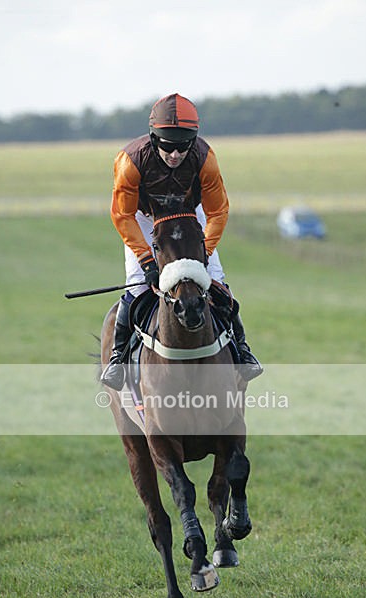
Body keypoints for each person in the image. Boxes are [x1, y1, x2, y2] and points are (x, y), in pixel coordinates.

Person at [101, 92, 262, 390]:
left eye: (183, 147)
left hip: (191, 216)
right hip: (145, 217)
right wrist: (147, 260)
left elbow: (217, 211)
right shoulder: (130, 161)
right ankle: (118, 357)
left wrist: (203, 254)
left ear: (194, 141)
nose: (175, 155)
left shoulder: (205, 158)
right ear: (153, 138)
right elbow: (122, 215)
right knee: (137, 285)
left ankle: (241, 350)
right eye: (167, 146)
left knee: (216, 280)